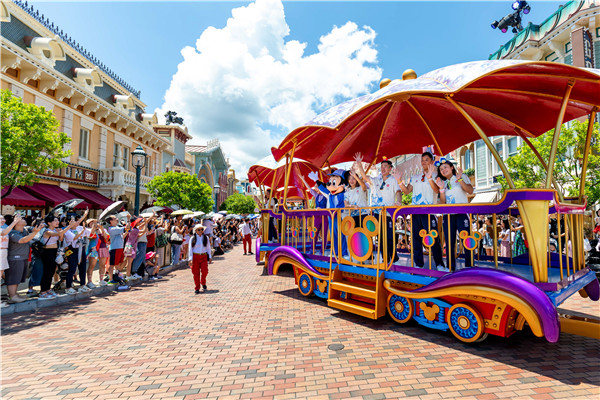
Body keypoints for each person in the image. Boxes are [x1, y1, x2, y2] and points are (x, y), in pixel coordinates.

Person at [398, 152, 444, 268]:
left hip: (429, 212)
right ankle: (418, 264)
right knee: (416, 239)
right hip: (415, 212)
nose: (423, 162)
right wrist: (399, 181)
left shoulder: (436, 176)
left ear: (432, 162)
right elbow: (407, 191)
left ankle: (439, 263)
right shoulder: (415, 177)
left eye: (426, 160)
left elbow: (437, 191)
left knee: (433, 238)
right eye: (422, 160)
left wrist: (429, 178)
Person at [355, 153, 402, 263]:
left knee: (389, 237)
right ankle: (384, 258)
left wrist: (398, 201)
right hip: (376, 214)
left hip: (388, 213)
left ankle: (394, 259)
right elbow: (365, 177)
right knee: (380, 238)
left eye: (386, 166)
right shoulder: (376, 180)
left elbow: (398, 192)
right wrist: (359, 165)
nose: (383, 168)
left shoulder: (393, 180)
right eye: (382, 166)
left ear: (390, 168)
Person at [434, 160, 474, 269]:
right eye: (441, 169)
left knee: (466, 240)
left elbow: (470, 190)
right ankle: (450, 267)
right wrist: (441, 189)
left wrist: (460, 179)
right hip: (448, 215)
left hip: (461, 213)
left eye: (445, 167)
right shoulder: (444, 183)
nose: (443, 170)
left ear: (452, 167)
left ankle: (469, 266)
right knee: (449, 242)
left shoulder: (461, 176)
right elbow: (443, 202)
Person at [5, 216, 43, 303]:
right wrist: (34, 233)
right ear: (16, 223)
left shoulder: (25, 230)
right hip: (15, 258)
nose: (24, 219)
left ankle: (14, 294)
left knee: (18, 277)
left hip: (23, 258)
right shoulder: (12, 233)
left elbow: (33, 230)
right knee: (13, 278)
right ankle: (12, 296)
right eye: (22, 219)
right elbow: (24, 240)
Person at [38, 215, 73, 299]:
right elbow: (58, 234)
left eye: (57, 220)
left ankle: (48, 289)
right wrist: (69, 226)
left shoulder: (55, 230)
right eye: (55, 221)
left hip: (54, 252)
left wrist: (61, 231)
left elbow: (61, 239)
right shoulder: (47, 231)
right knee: (47, 272)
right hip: (47, 252)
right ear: (49, 223)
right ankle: (43, 291)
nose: (57, 222)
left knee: (51, 272)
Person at [63, 210, 90, 294]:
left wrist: (85, 215)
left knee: (83, 267)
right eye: (73, 221)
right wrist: (82, 232)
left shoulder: (79, 227)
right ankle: (68, 287)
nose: (76, 222)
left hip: (81, 249)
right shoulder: (66, 231)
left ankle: (82, 285)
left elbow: (89, 233)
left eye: (75, 220)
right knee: (72, 268)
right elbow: (74, 238)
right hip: (72, 251)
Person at [188, 225, 212, 294]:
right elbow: (190, 249)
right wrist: (190, 259)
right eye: (199, 230)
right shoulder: (192, 238)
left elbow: (208, 248)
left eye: (201, 229)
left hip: (203, 256)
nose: (200, 231)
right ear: (195, 231)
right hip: (195, 256)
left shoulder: (205, 237)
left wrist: (210, 256)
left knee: (205, 271)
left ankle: (203, 282)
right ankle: (197, 287)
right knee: (196, 273)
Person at [107, 215, 127, 282]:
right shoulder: (112, 229)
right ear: (111, 221)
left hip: (120, 247)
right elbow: (127, 228)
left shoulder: (117, 227)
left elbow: (125, 232)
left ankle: (118, 276)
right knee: (112, 264)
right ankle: (110, 279)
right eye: (115, 218)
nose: (117, 219)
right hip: (115, 248)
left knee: (118, 263)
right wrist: (129, 220)